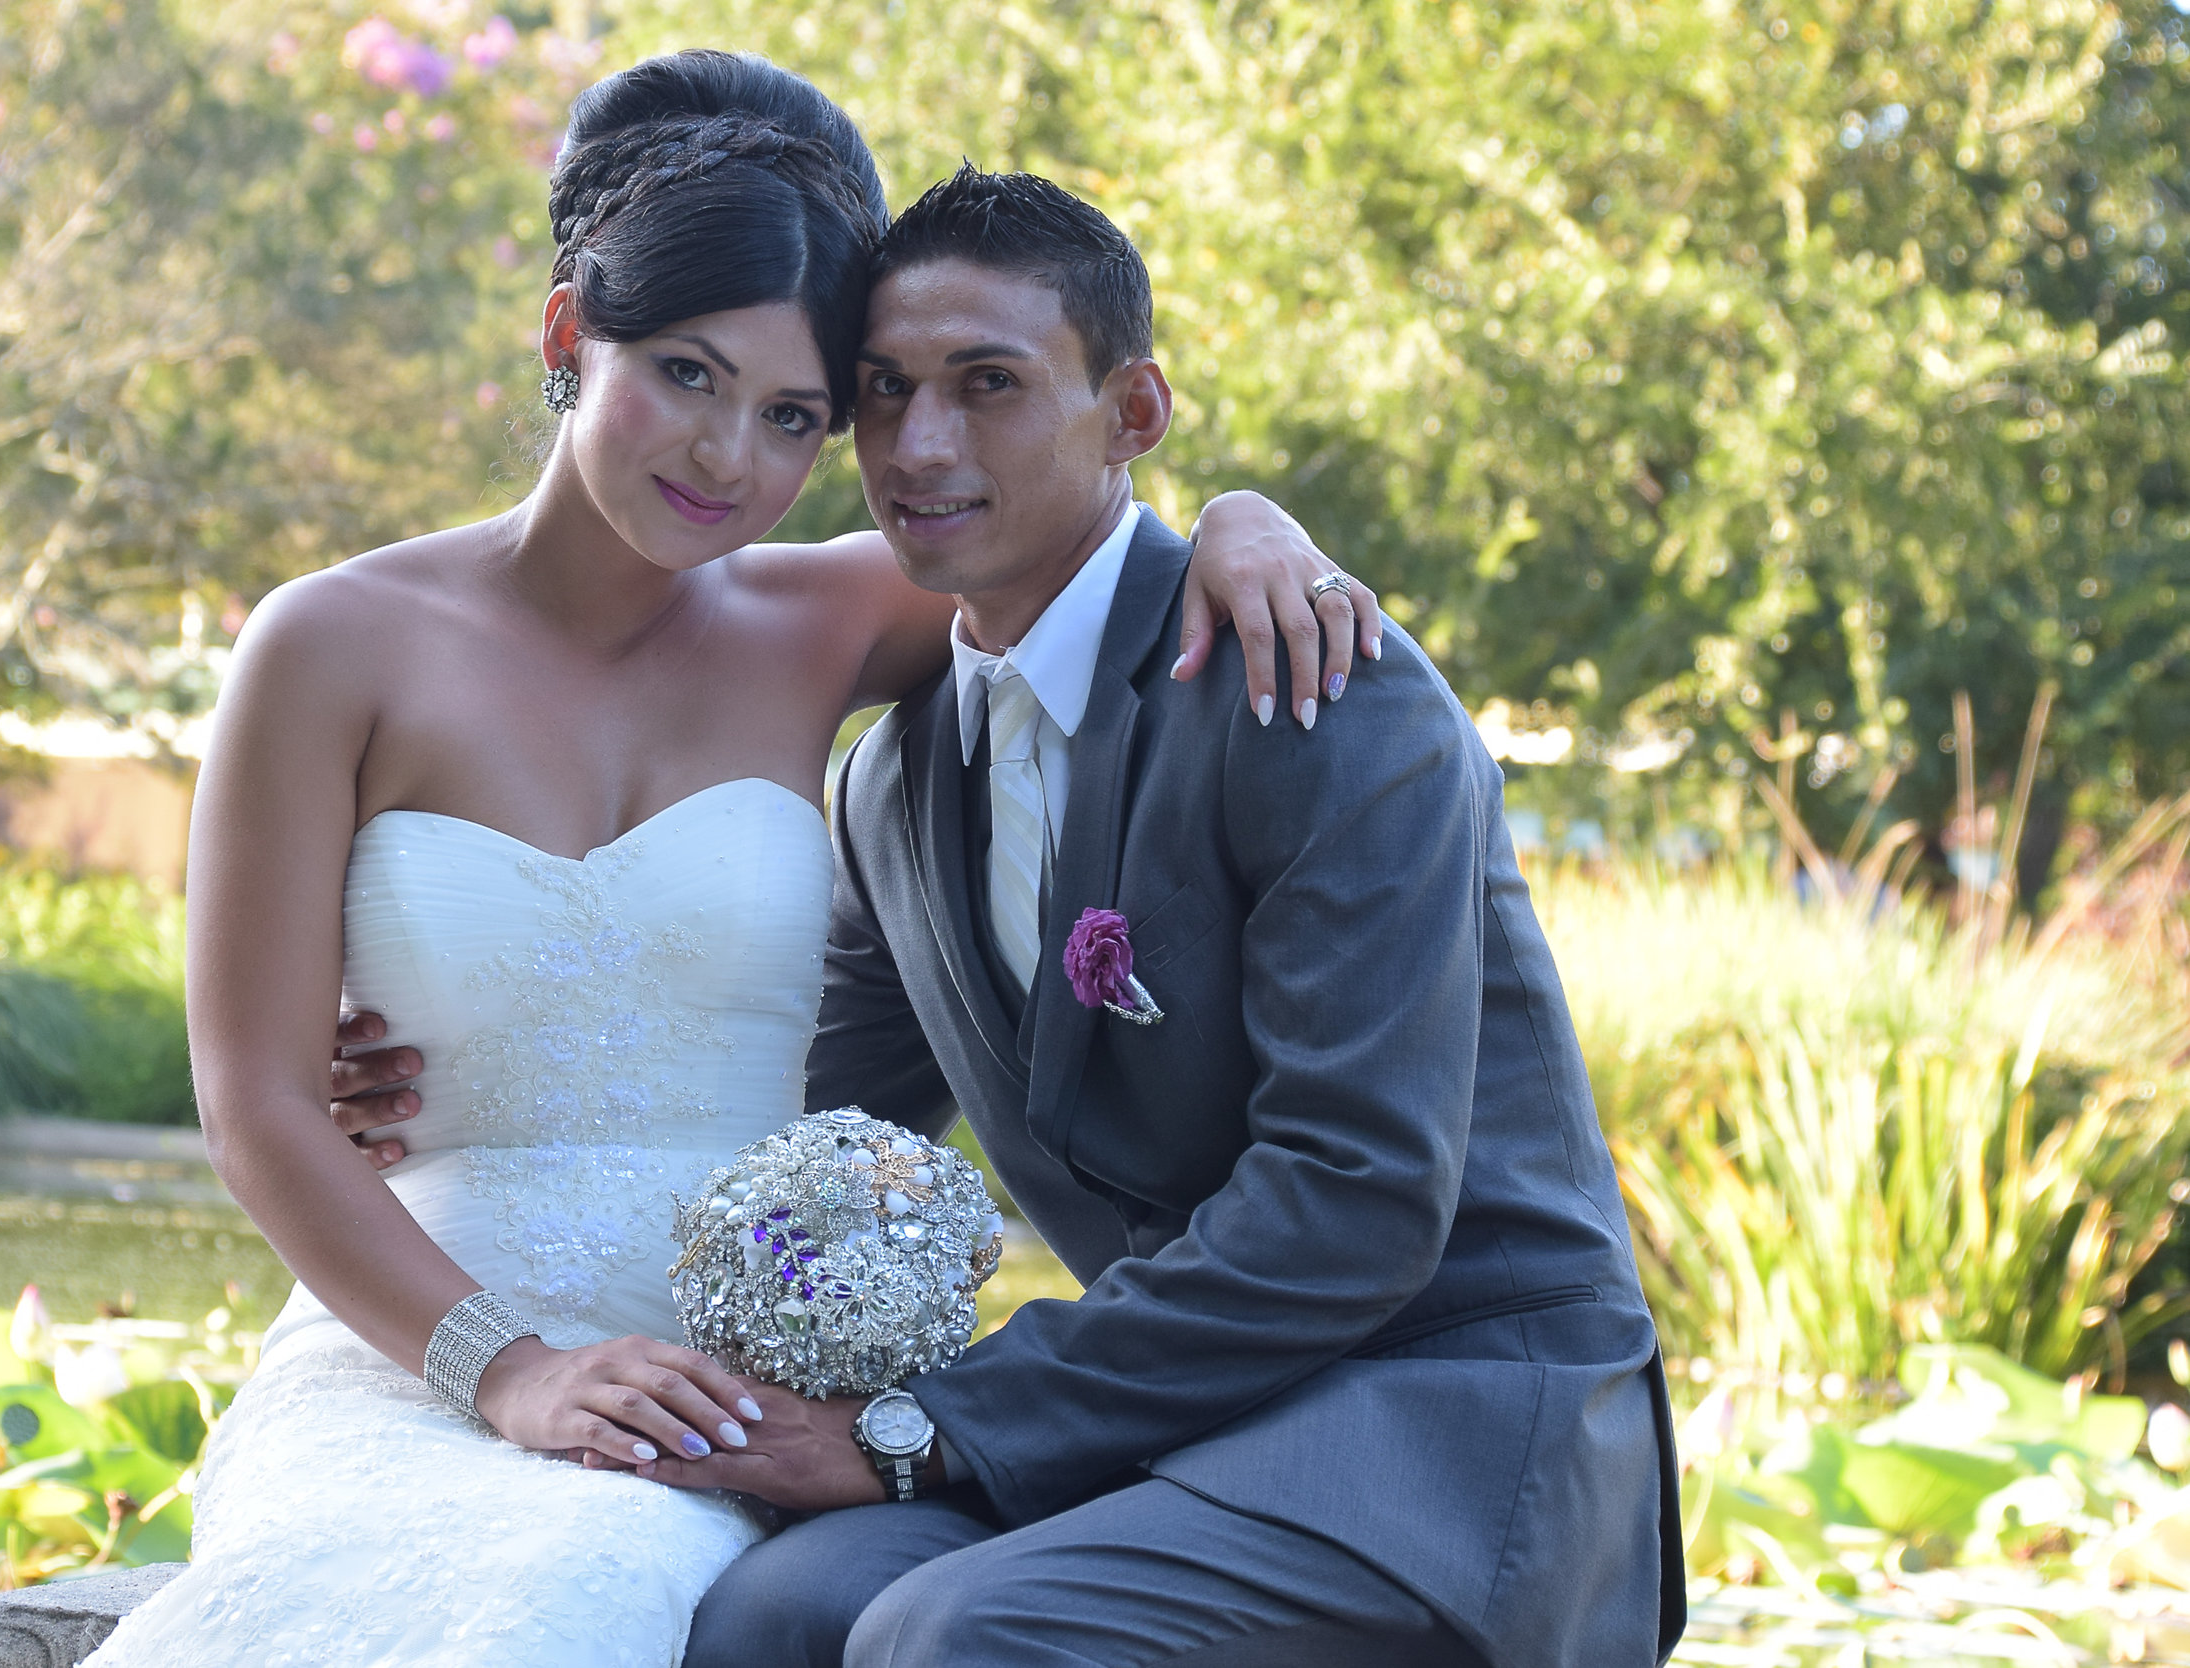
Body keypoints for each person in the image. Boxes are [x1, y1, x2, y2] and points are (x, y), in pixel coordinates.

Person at [91, 51, 1366, 1668]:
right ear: (572, 335)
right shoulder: (330, 644)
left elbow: (1092, 534)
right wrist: (507, 1367)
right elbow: (258, 1104)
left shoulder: (829, 620)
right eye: (686, 376)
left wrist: (1250, 518)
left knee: (585, 1606)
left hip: (739, 1367)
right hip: (417, 1338)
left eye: (792, 418)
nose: (729, 460)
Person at [385, 166, 1685, 1667]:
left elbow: (1359, 1194)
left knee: (960, 1640)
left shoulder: (1314, 690)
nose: (921, 447)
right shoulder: (897, 782)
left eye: (987, 386)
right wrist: (471, 1068)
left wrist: (912, 1431)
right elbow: (796, 1128)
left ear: (1133, 414)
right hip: (1185, 1411)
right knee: (768, 1616)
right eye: (883, 393)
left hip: (1443, 1417)